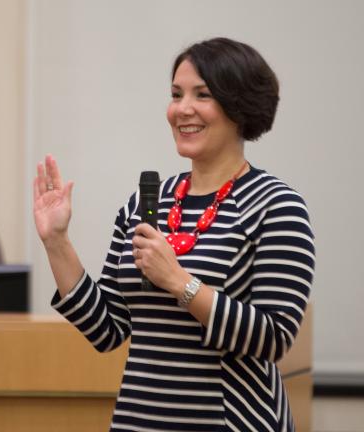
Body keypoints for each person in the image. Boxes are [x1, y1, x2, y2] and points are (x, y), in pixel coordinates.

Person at [34, 37, 314, 431]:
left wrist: (180, 282)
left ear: (240, 105)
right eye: (176, 94)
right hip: (140, 420)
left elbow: (274, 337)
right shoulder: (145, 203)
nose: (182, 109)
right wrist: (56, 242)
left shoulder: (275, 205)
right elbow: (107, 329)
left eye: (203, 94)